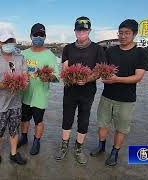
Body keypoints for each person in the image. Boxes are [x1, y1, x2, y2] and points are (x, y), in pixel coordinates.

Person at [90, 19, 148, 166]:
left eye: (127, 33)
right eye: (120, 33)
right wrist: (88, 77)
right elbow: (101, 70)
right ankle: (101, 146)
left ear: (134, 34)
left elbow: (138, 77)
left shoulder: (141, 53)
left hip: (126, 99)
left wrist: (116, 79)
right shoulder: (110, 51)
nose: (123, 36)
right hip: (107, 96)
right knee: (102, 124)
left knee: (121, 128)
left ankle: (115, 152)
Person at [55, 16, 106, 164]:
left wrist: (88, 78)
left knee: (83, 120)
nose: (81, 32)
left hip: (88, 91)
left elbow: (100, 70)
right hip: (70, 90)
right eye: (79, 29)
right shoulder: (68, 48)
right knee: (67, 118)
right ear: (75, 31)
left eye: (84, 30)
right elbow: (64, 68)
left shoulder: (97, 49)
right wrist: (70, 77)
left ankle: (78, 149)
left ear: (89, 30)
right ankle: (64, 147)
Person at [0, 29, 28, 172]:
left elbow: (25, 75)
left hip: (16, 102)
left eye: (11, 41)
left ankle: (13, 154)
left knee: (14, 130)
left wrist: (23, 82)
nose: (9, 44)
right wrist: (6, 85)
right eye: (5, 41)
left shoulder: (20, 57)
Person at [17, 23, 59, 155]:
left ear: (45, 37)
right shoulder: (23, 54)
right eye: (36, 35)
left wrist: (48, 77)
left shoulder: (50, 55)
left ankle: (36, 141)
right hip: (24, 94)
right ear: (31, 36)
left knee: (38, 120)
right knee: (24, 118)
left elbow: (56, 76)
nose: (38, 37)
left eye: (41, 35)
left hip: (40, 96)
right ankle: (23, 138)